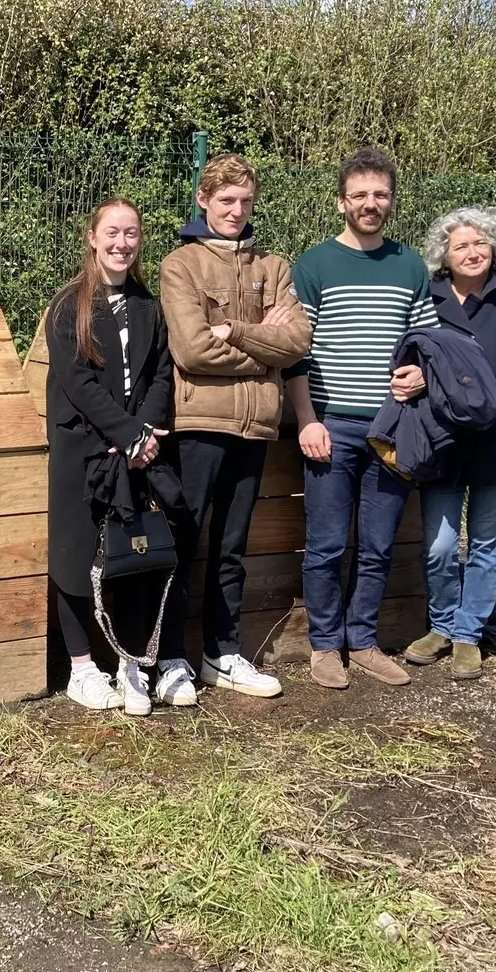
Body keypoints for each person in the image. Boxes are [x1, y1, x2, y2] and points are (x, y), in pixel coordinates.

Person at [160, 153, 312, 697]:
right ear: (203, 201)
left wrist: (235, 332)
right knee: (182, 544)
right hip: (198, 424)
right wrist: (262, 346)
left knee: (231, 549)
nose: (236, 210)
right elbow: (193, 350)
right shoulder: (181, 265)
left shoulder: (274, 265)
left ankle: (222, 655)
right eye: (226, 200)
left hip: (256, 428)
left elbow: (298, 341)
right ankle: (170, 658)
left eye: (245, 201)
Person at [286, 147, 437, 690]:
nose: (370, 204)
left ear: (391, 200)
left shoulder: (410, 265)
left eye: (380, 194)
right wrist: (307, 419)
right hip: (330, 423)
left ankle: (364, 640)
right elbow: (296, 351)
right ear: (341, 203)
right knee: (327, 544)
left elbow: (425, 343)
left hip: (393, 427)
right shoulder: (314, 264)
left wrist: (418, 377)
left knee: (377, 544)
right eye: (360, 195)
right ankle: (326, 647)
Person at [46, 198, 187, 716]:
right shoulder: (68, 306)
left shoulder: (149, 306)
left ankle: (131, 661)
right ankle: (82, 669)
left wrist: (144, 435)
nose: (121, 243)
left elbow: (159, 375)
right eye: (112, 232)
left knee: (131, 556)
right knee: (75, 555)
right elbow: (78, 382)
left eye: (131, 233)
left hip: (136, 452)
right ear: (92, 237)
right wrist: (125, 434)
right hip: (85, 450)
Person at [402, 208, 496, 680]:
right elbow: (407, 360)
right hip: (441, 443)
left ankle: (468, 633)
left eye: (480, 243)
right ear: (443, 257)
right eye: (460, 246)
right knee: (441, 546)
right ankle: (441, 624)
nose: (472, 252)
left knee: (486, 544)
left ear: (495, 249)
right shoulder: (424, 301)